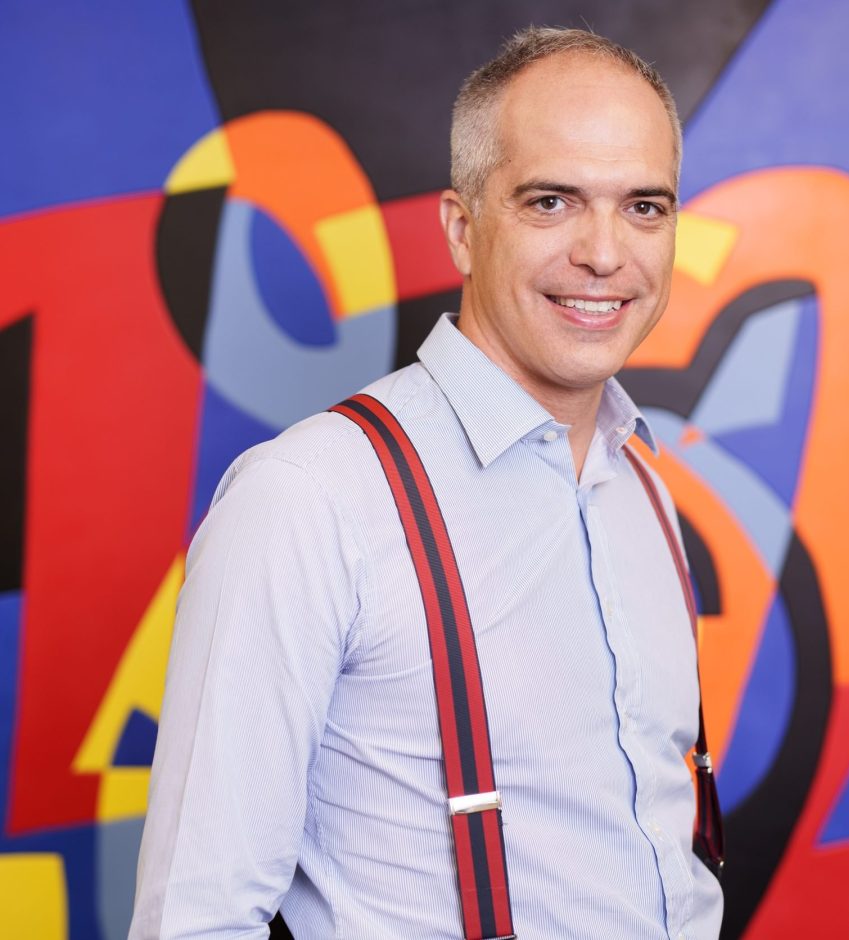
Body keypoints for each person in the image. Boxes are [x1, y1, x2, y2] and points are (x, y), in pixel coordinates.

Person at [130, 26, 724, 940]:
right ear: (461, 228)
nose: (606, 253)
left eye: (645, 206)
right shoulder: (309, 500)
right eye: (552, 201)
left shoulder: (640, 487)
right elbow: (196, 921)